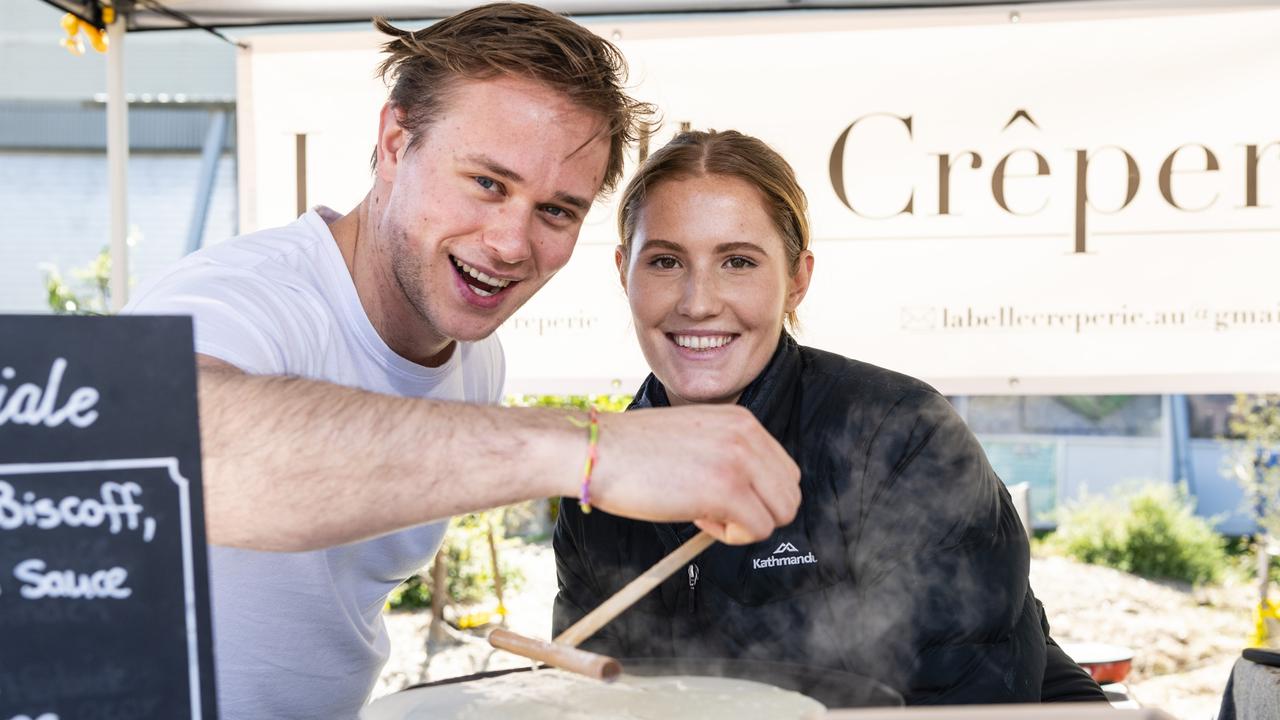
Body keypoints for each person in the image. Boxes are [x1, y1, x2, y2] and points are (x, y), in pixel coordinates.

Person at [124, 7, 802, 718]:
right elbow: (171, 455)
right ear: (394, 142)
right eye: (486, 182)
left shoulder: (474, 354)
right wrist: (589, 445)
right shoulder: (244, 299)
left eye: (557, 211)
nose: (511, 242)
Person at [552, 129, 1106, 705]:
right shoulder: (596, 483)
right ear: (624, 273)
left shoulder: (900, 436)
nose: (697, 301)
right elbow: (588, 699)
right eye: (665, 261)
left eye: (738, 262)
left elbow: (970, 703)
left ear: (797, 280)